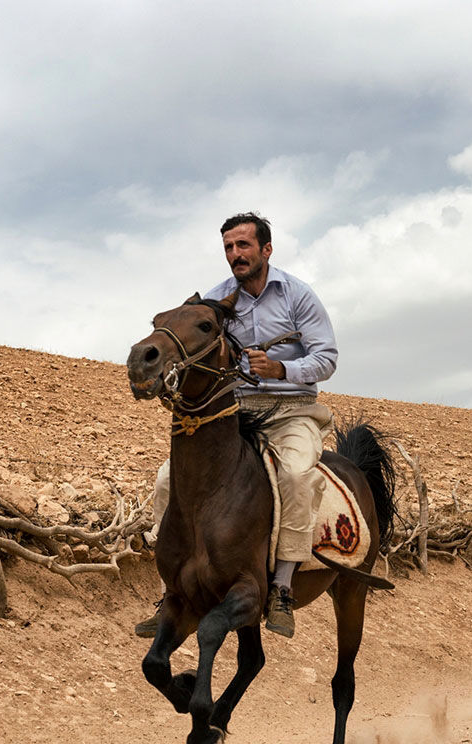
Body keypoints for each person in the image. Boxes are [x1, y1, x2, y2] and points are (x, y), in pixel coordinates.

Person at [136, 212, 338, 640]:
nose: (235, 255)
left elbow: (328, 358)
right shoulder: (217, 299)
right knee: (167, 478)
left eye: (244, 246)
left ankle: (281, 588)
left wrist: (281, 368)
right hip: (237, 411)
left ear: (266, 249)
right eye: (229, 247)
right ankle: (169, 591)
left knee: (297, 475)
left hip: (291, 411)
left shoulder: (298, 296)